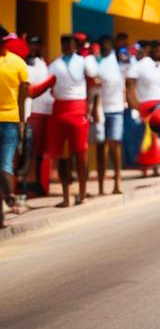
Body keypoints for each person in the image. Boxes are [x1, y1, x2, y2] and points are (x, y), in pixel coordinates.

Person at [48, 33, 96, 206]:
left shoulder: (84, 62)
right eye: (65, 44)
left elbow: (94, 80)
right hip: (60, 109)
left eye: (70, 44)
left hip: (78, 109)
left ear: (76, 46)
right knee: (62, 156)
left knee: (81, 154)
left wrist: (92, 107)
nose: (67, 46)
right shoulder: (54, 65)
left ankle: (82, 194)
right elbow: (50, 88)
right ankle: (66, 197)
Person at [126, 40, 160, 175]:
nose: (158, 53)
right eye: (155, 50)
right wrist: (134, 103)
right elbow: (130, 85)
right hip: (145, 106)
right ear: (150, 51)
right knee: (146, 138)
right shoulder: (140, 66)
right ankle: (146, 168)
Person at [0, 27, 29, 228]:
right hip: (12, 119)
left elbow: (23, 94)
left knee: (4, 163)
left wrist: (20, 120)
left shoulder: (18, 62)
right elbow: (24, 94)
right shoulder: (18, 62)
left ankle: (9, 195)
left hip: (10, 119)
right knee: (5, 163)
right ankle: (7, 200)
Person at [92, 35, 126, 194]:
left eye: (107, 45)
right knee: (101, 147)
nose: (105, 48)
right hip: (100, 109)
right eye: (102, 45)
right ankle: (100, 187)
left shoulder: (119, 61)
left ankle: (117, 182)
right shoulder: (95, 62)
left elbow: (124, 82)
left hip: (116, 108)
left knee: (115, 145)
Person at [25, 34, 53, 197]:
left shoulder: (44, 64)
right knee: (30, 150)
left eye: (38, 45)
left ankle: (40, 184)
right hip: (30, 111)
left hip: (46, 111)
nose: (35, 48)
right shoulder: (23, 65)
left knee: (42, 151)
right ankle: (28, 185)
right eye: (32, 44)